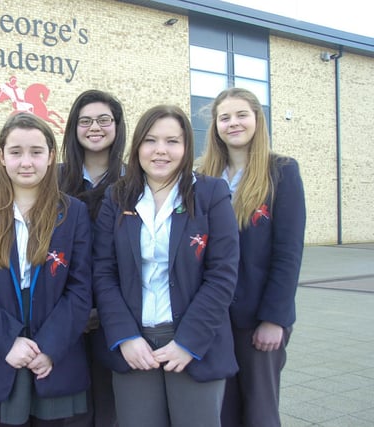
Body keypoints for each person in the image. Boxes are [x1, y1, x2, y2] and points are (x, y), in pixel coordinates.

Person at [93, 105, 240, 427]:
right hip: (135, 345)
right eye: (150, 140)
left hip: (194, 343)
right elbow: (103, 272)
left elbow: (222, 274)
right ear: (137, 148)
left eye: (172, 141)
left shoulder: (211, 194)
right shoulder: (117, 196)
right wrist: (125, 337)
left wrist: (189, 341)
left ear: (186, 147)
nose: (161, 150)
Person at [0, 113, 93, 427]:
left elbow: (80, 288)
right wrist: (8, 341)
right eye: (16, 152)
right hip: (2, 347)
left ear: (51, 157)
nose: (26, 162)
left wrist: (50, 347)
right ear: (2, 157)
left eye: (36, 151)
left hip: (55, 349)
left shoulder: (74, 213)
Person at [198, 87, 306, 427]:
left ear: (257, 119)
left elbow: (288, 253)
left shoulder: (282, 172)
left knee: (259, 412)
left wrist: (274, 318)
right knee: (220, 410)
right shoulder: (203, 176)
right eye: (224, 117)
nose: (233, 123)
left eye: (241, 115)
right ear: (215, 125)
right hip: (214, 317)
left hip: (258, 318)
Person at [59, 89, 126, 427]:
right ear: (74, 127)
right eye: (85, 121)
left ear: (117, 126)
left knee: (112, 411)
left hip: (118, 314)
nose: (94, 127)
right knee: (72, 413)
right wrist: (76, 309)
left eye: (104, 120)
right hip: (63, 314)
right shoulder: (54, 180)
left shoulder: (134, 182)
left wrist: (103, 309)